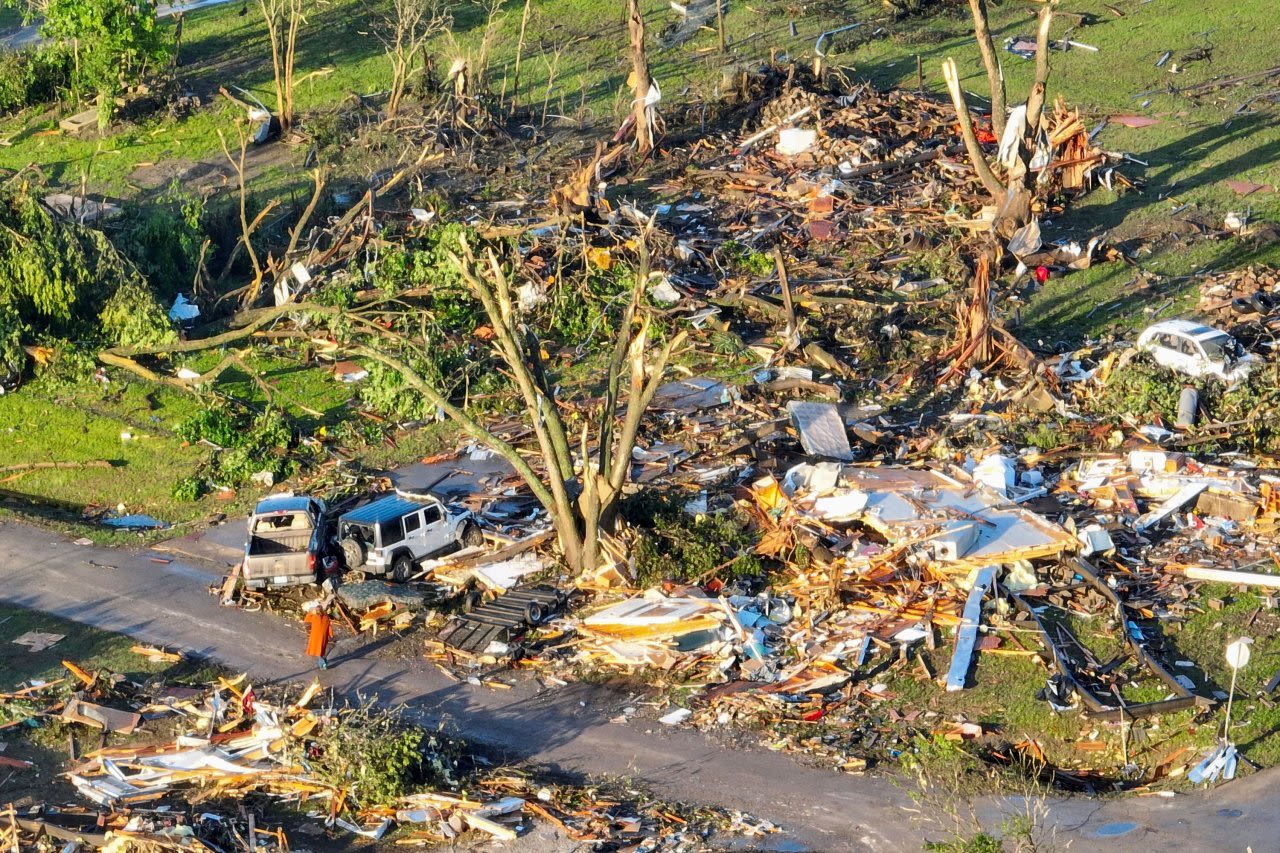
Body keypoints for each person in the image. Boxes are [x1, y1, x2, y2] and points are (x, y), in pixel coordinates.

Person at [302, 599, 333, 670]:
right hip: (324, 637)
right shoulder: (326, 617)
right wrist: (331, 634)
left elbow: (306, 619)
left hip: (316, 637)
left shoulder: (315, 617)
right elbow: (329, 627)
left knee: (319, 652)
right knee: (321, 651)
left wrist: (311, 613)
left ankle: (323, 665)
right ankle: (324, 662)